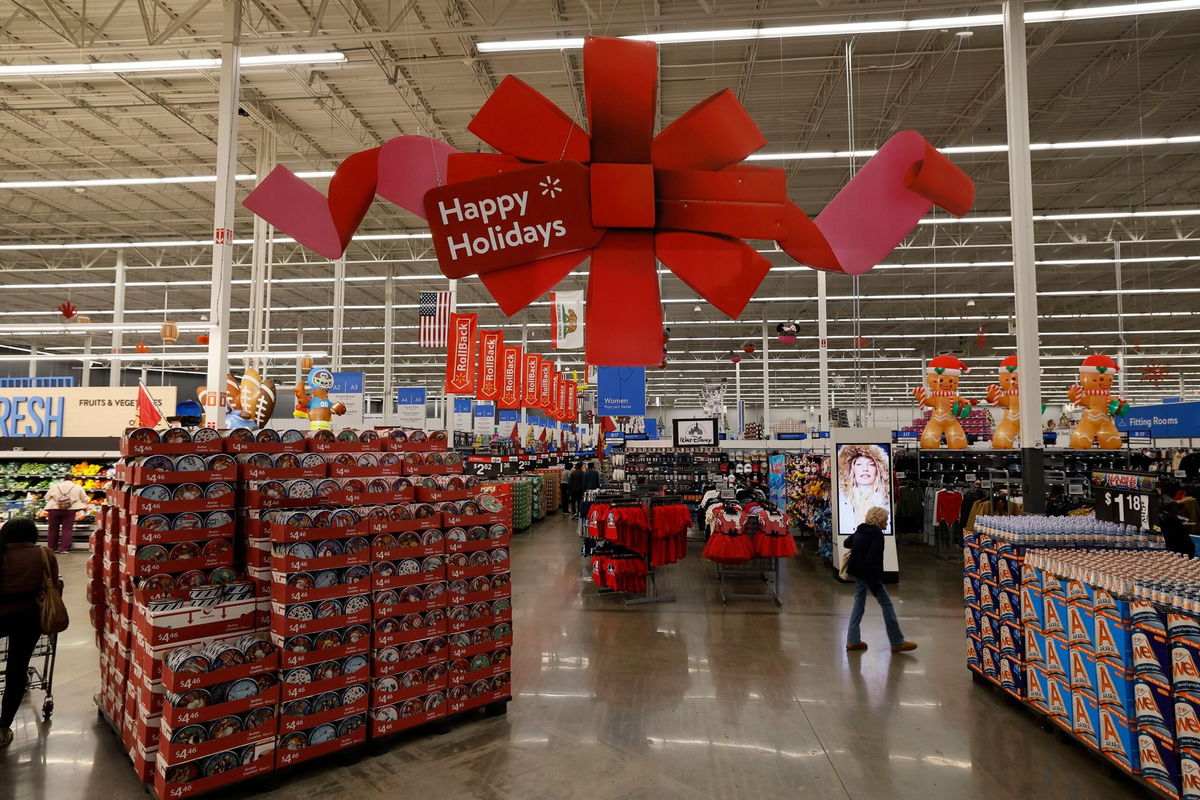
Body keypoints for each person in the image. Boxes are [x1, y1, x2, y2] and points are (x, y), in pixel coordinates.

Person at [0, 518, 60, 746]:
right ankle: (3, 728)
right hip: (29, 620)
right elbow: (53, 585)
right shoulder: (44, 555)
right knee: (17, 670)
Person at [844, 507, 916, 653]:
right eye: (886, 520)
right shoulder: (876, 534)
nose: (887, 523)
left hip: (857, 573)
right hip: (868, 575)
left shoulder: (861, 530)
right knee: (887, 605)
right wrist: (877, 581)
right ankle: (897, 641)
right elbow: (873, 560)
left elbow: (847, 543)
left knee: (858, 605)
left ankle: (852, 640)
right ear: (879, 520)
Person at [837, 445, 890, 534]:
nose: (865, 469)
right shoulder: (842, 499)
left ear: (878, 469)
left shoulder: (887, 500)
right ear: (851, 469)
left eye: (871, 464)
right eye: (859, 464)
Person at [44, 473, 88, 554]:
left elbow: (46, 497)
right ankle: (64, 548)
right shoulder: (77, 487)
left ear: (64, 479)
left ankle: (51, 548)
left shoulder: (55, 486)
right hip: (70, 510)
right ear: (73, 479)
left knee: (53, 529)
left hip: (54, 509)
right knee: (67, 529)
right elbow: (85, 499)